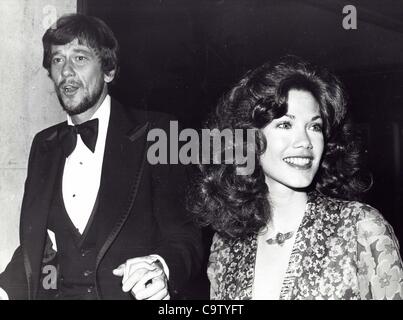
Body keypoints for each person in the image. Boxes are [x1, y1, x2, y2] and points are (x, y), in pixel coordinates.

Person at [0, 13, 202, 300]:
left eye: (79, 58)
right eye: (58, 60)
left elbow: (186, 236)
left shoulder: (159, 132)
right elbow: (37, 247)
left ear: (108, 71)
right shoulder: (43, 145)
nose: (66, 72)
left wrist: (160, 268)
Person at [191, 56, 403, 300]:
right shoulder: (227, 244)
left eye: (314, 127)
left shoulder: (360, 227)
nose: (305, 142)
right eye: (285, 125)